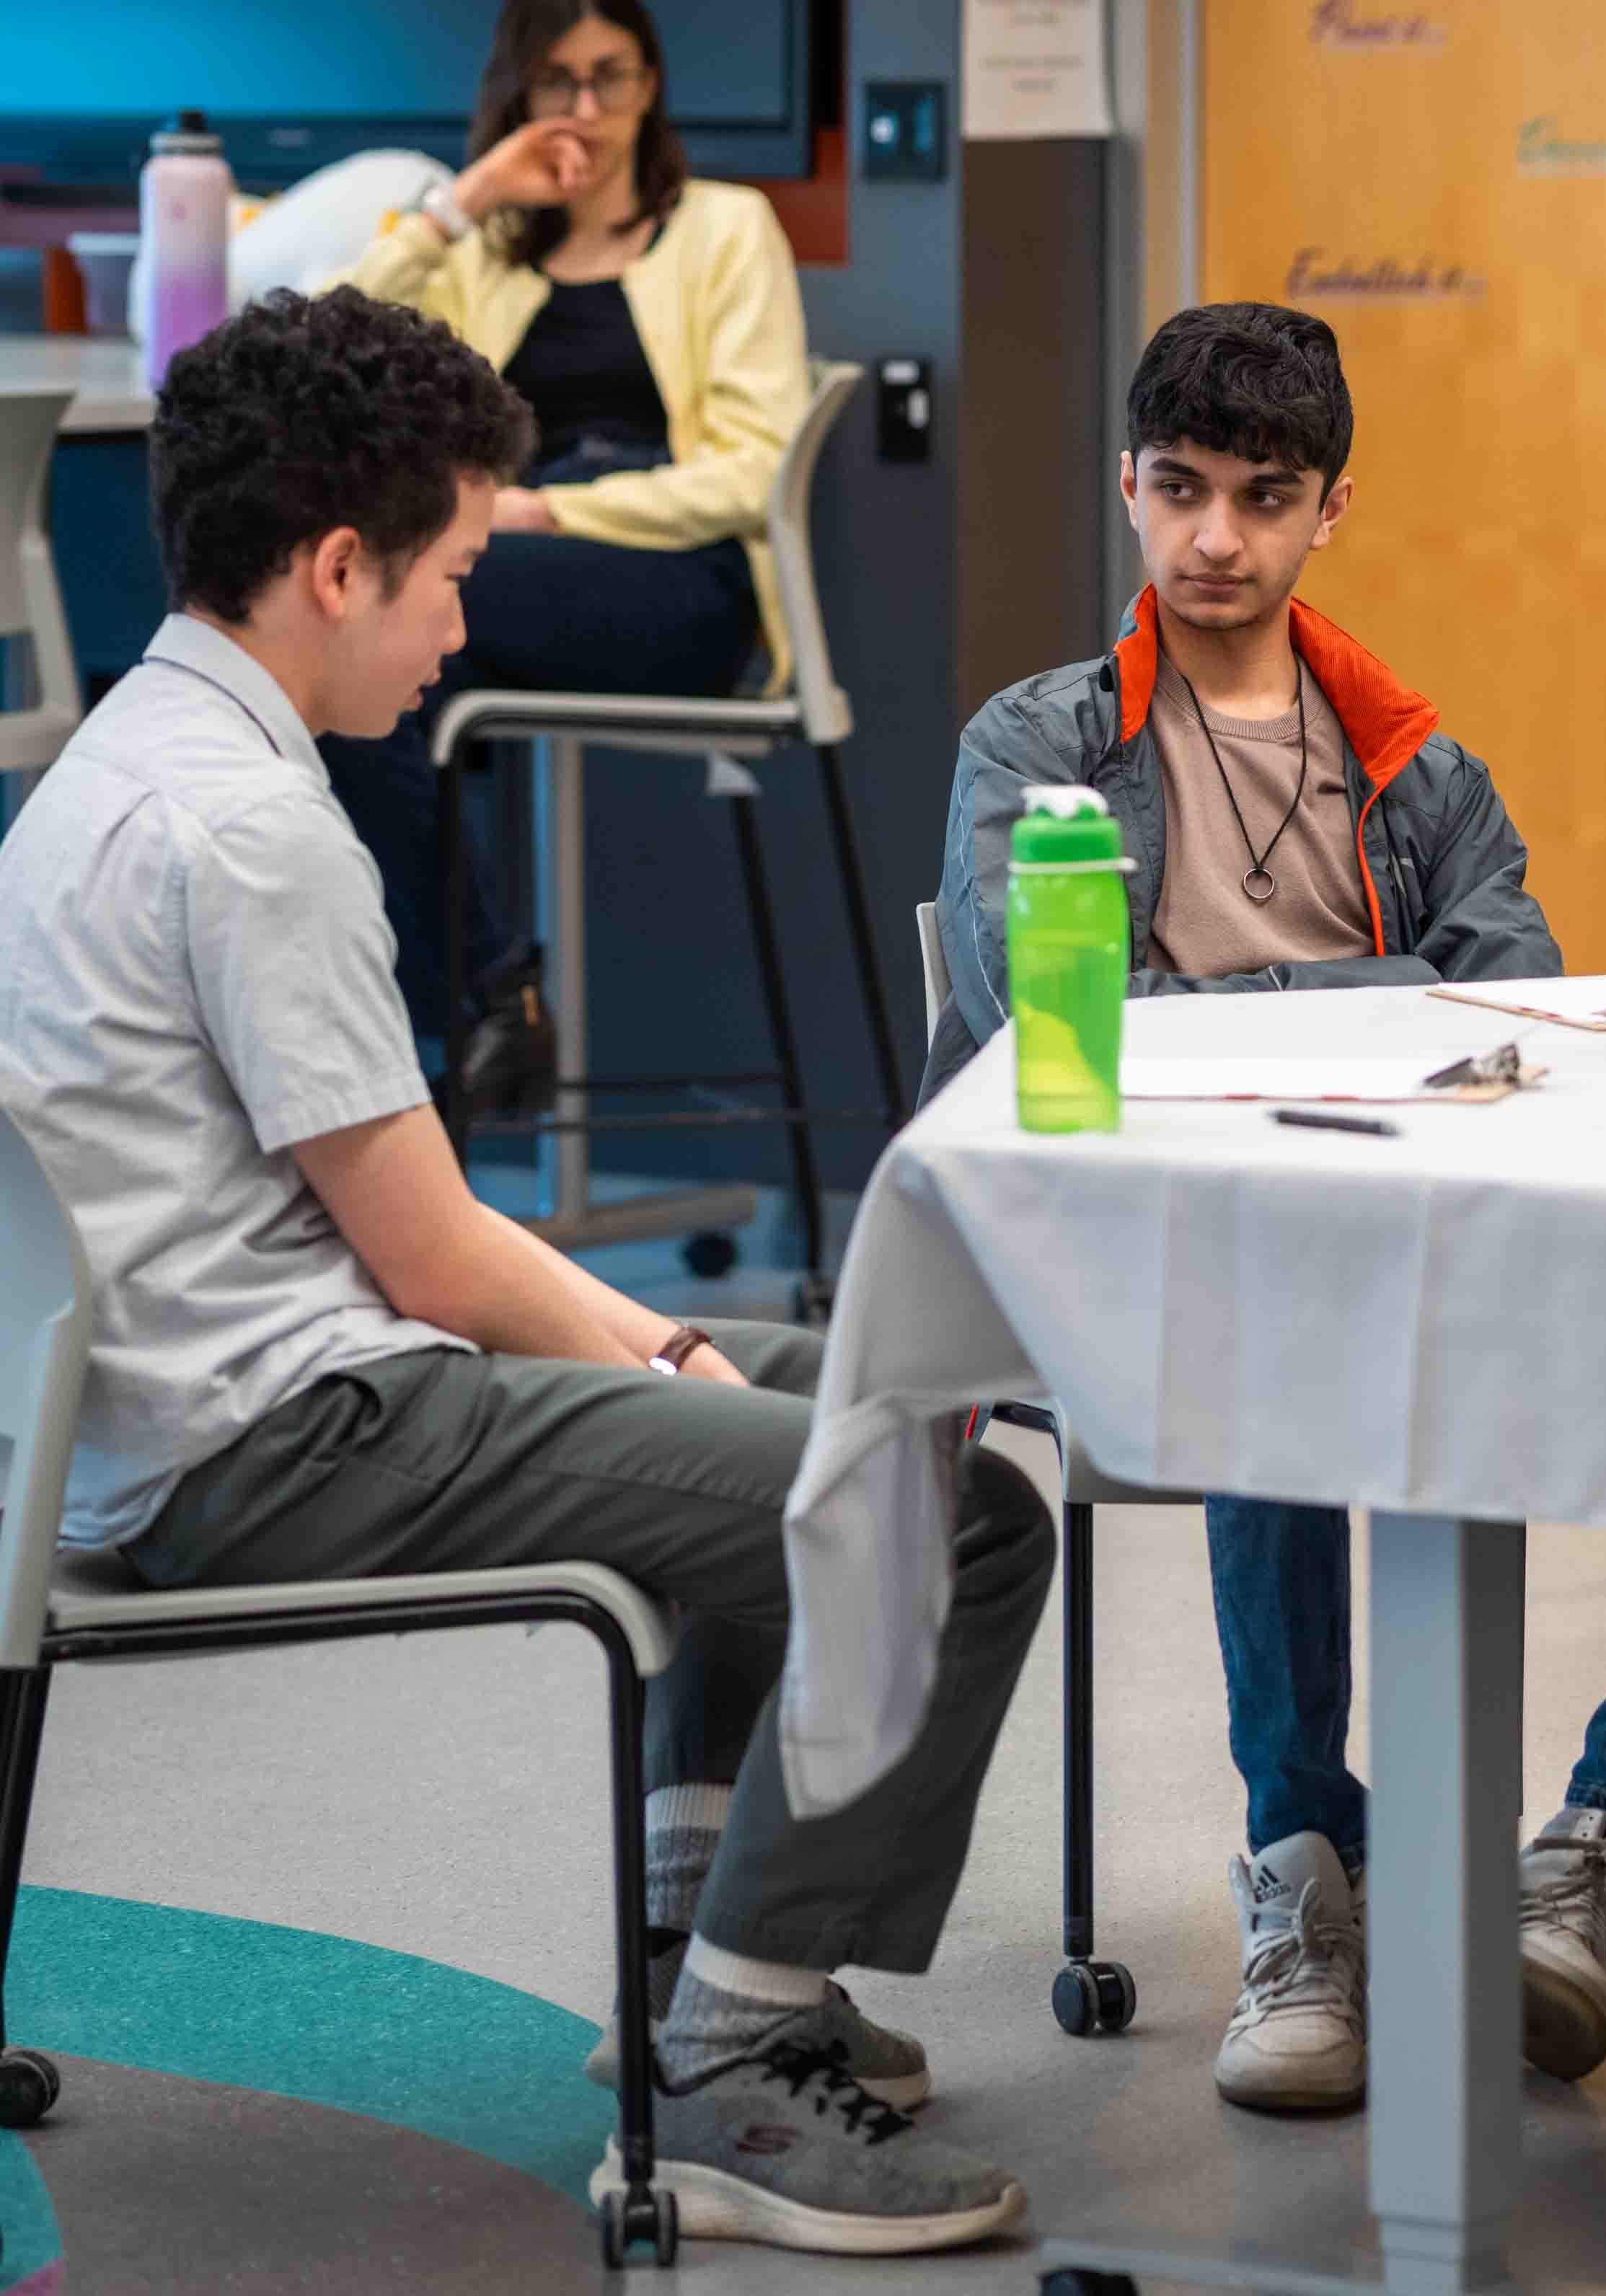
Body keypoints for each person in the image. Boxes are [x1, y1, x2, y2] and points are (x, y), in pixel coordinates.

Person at [0, 287, 1050, 2259]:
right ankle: (734, 2063)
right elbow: (436, 1262)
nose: (463, 628)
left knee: (863, 1385)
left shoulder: (111, 765)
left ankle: (689, 1952)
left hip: (175, 1419)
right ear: (336, 569)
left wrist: (672, 1366)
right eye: (452, 578)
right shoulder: (251, 831)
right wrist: (660, 1349)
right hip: (291, 1436)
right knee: (952, 1504)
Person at [929, 300, 1606, 2109]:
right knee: (1278, 1331)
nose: (1214, 540)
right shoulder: (1035, 748)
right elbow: (1054, 1029)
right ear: (1128, 484)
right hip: (1162, 1249)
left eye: (1264, 498)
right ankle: (1308, 1877)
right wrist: (1365, 996)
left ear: (1330, 511)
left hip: (1448, 1236)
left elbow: (1528, 1010)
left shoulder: (1418, 763)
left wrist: (1301, 1008)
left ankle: (1596, 1846)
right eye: (1179, 490)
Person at [316, 0, 812, 1109]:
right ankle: (486, 1006)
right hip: (507, 569)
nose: (587, 112)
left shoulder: (727, 229)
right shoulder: (483, 258)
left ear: (651, 86)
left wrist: (543, 509)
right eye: (558, 84)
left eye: (612, 78)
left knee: (389, 614)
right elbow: (324, 353)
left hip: (680, 587)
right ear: (516, 95)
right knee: (369, 653)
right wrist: (465, 199)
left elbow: (753, 473)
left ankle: (478, 1007)